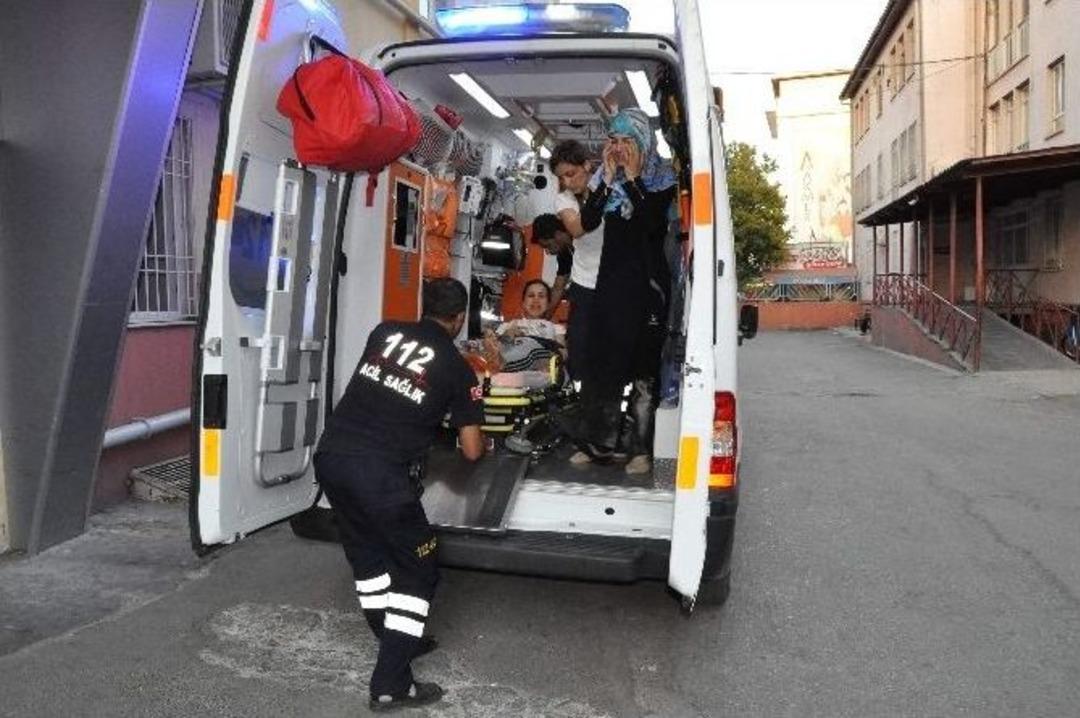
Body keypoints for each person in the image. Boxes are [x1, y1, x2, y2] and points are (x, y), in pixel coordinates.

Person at [314, 277, 485, 712]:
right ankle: (391, 683)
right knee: (419, 569)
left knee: (368, 557)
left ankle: (393, 636)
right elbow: (471, 450)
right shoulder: (458, 368)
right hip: (380, 475)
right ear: (460, 318)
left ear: (423, 306)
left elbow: (387, 394)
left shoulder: (384, 332)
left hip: (333, 458)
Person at [572, 109, 677, 473]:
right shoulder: (605, 179)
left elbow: (650, 226)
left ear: (643, 142)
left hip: (647, 286)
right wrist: (606, 181)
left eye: (626, 141)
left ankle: (639, 451)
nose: (618, 148)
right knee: (602, 363)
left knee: (643, 370)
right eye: (613, 141)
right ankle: (597, 444)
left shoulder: (663, 179)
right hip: (612, 285)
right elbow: (585, 223)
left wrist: (633, 180)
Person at [550, 140, 605, 385]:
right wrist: (599, 195)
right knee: (579, 350)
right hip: (584, 283)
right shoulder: (564, 200)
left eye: (571, 174)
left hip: (613, 280)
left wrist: (603, 187)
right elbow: (577, 228)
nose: (567, 182)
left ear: (587, 166)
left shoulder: (612, 190)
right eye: (562, 178)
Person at [530, 213, 573, 318]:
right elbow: (559, 287)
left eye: (547, 245)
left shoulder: (584, 241)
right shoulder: (565, 252)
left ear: (558, 234)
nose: (548, 251)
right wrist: (544, 319)